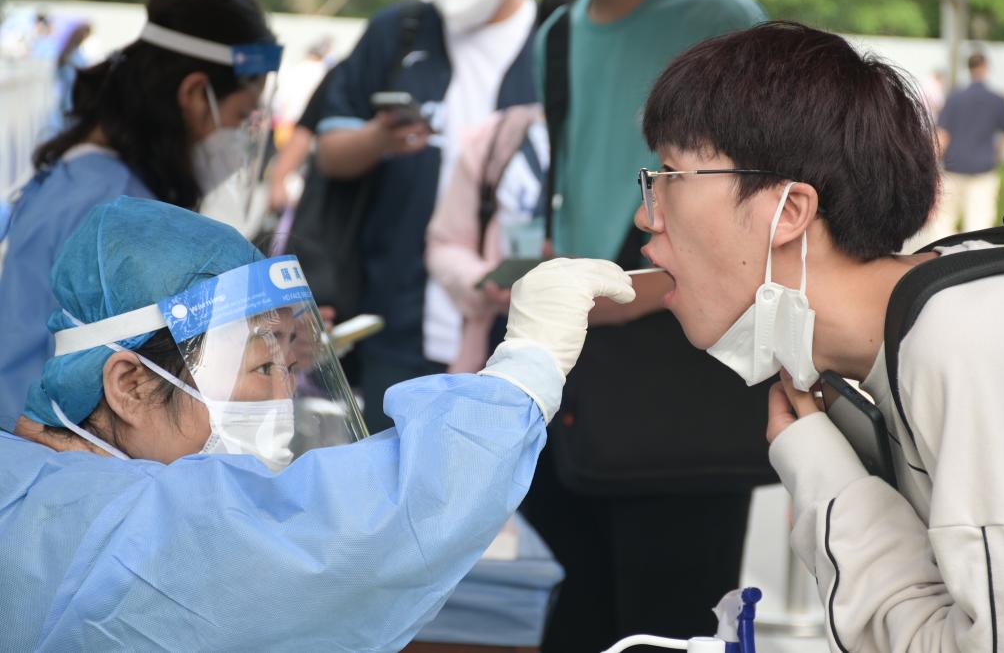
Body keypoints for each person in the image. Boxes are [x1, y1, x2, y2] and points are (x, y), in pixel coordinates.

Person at [2, 195, 635, 649]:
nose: (281, 398)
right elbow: (354, 534)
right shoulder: (108, 527)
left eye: (289, 365)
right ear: (131, 385)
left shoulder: (33, 484)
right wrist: (524, 370)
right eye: (260, 367)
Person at [637, 20, 1004, 649]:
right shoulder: (938, 316)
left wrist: (831, 486)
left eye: (670, 176)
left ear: (788, 212)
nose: (645, 214)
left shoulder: (965, 344)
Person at [516, 0, 771, 647]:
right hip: (582, 374)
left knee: (671, 624)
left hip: (680, 379)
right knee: (577, 609)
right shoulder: (556, 34)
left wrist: (638, 293)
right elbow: (576, 184)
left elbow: (763, 207)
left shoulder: (717, 18)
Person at [0, 0, 282, 431]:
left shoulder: (92, 179)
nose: (239, 140)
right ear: (195, 95)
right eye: (238, 116)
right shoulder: (111, 208)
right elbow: (137, 369)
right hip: (54, 447)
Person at [311, 0, 539, 432]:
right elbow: (329, 152)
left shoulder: (553, 38)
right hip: (398, 318)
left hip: (515, 328)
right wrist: (378, 138)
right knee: (393, 462)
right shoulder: (399, 31)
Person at [425, 103, 547, 373]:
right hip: (501, 334)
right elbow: (445, 244)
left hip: (602, 343)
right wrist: (484, 280)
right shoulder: (501, 134)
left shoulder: (619, 139)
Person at [927, 52, 1004, 240]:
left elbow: (942, 136)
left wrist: (932, 164)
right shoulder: (997, 100)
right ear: (986, 68)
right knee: (978, 228)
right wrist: (997, 156)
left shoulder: (954, 98)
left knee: (943, 224)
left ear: (968, 68)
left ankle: (946, 257)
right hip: (983, 171)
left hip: (953, 169)